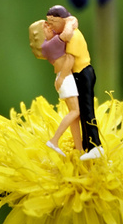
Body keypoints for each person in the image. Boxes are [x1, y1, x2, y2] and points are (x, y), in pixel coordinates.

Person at [42, 5, 103, 160]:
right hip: (77, 75)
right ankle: (87, 145)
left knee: (87, 111)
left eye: (53, 22)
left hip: (83, 73)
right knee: (81, 111)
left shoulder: (74, 36)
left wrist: (61, 77)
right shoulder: (64, 33)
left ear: (63, 20)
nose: (52, 25)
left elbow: (70, 59)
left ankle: (96, 146)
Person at [29, 21, 83, 156]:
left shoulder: (47, 47)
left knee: (75, 115)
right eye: (47, 26)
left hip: (64, 78)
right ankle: (54, 140)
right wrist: (69, 19)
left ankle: (79, 148)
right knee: (76, 111)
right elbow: (70, 29)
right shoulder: (54, 44)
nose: (51, 27)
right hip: (65, 78)